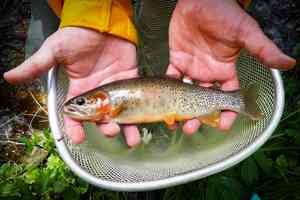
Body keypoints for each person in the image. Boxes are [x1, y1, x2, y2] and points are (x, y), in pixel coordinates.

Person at [4, 0, 296, 147]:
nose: (76, 105)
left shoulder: (112, 106)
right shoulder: (110, 107)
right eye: (81, 102)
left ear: (103, 100)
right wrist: (89, 13)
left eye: (82, 102)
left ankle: (236, 100)